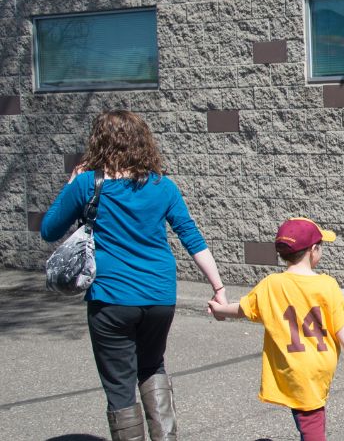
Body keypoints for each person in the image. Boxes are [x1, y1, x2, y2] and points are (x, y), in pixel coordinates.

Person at [41, 110, 227, 441]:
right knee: (152, 366)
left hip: (111, 300)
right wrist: (218, 287)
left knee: (120, 387)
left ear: (99, 142)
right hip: (159, 297)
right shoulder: (163, 186)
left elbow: (49, 228)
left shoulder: (88, 184)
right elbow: (192, 238)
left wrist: (70, 183)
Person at [208, 217, 344, 441]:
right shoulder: (327, 284)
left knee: (309, 418)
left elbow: (243, 309)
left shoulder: (271, 284)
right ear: (314, 250)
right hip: (319, 364)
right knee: (311, 418)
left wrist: (220, 310)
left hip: (294, 367)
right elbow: (341, 322)